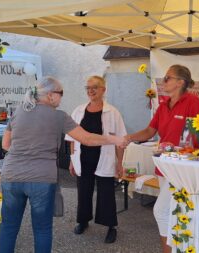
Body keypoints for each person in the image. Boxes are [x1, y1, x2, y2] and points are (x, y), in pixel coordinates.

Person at [0, 76, 127, 253]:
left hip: (11, 176)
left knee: (8, 227)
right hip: (42, 179)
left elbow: (6, 145)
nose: (61, 98)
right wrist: (114, 139)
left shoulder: (19, 111)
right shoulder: (59, 116)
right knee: (42, 229)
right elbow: (88, 139)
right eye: (61, 94)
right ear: (51, 95)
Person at [125, 65, 199, 253]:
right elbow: (149, 131)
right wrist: (127, 138)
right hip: (163, 167)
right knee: (172, 214)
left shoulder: (193, 102)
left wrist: (187, 149)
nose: (163, 81)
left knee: (161, 211)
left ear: (180, 82)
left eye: (168, 78)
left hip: (182, 169)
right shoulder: (163, 105)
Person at [65, 76, 126, 243]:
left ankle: (111, 227)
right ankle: (83, 221)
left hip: (104, 159)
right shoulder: (78, 111)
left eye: (95, 87)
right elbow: (72, 138)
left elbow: (120, 141)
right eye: (88, 87)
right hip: (82, 158)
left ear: (103, 90)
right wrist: (72, 159)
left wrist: (119, 163)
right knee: (83, 192)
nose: (91, 90)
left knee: (106, 194)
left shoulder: (113, 112)